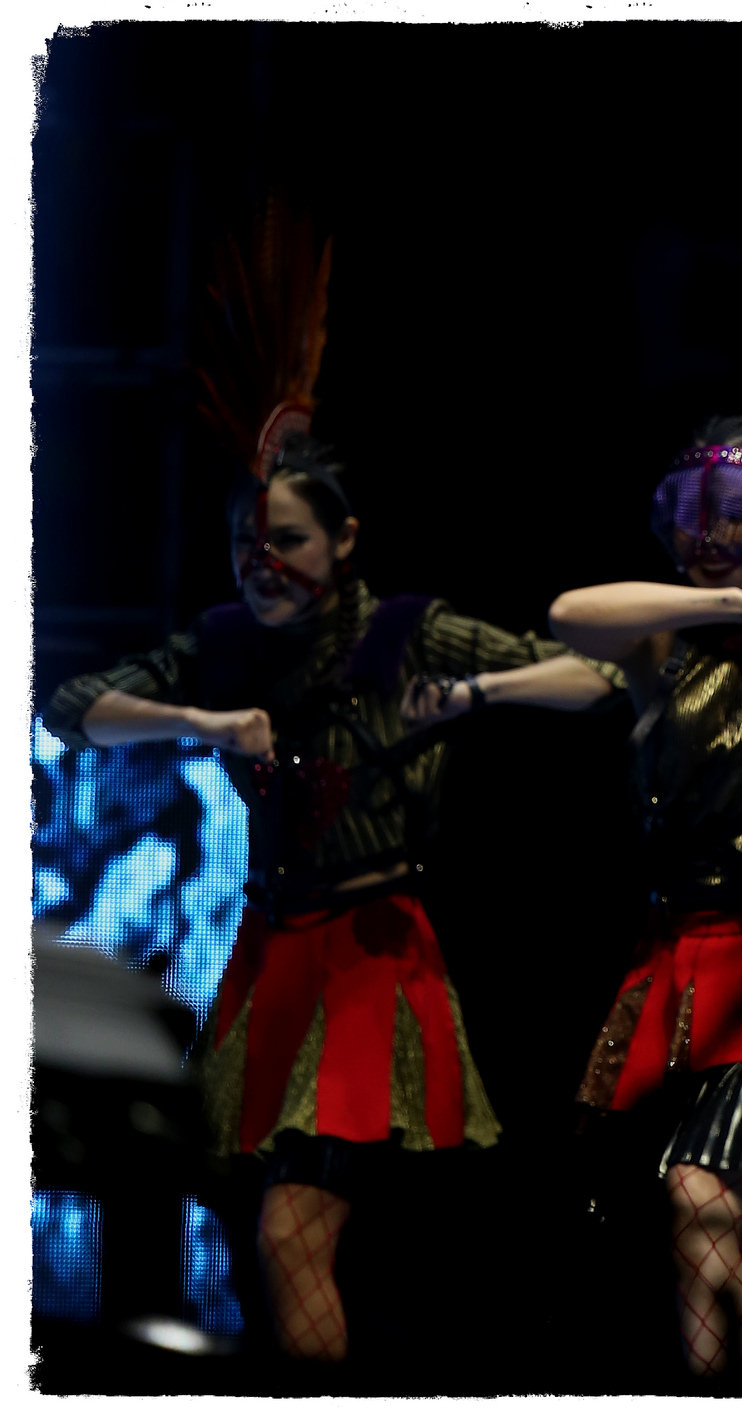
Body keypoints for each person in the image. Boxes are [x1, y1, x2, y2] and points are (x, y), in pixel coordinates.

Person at [39, 212, 618, 1368]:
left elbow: (591, 679)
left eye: (289, 543)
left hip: (369, 954)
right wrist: (202, 721)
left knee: (293, 1231)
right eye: (245, 546)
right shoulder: (220, 646)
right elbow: (72, 706)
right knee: (245, 1219)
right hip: (271, 955)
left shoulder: (406, 631)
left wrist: (472, 696)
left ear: (344, 541)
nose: (262, 565)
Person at [486, 412, 742, 1378]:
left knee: (702, 1204)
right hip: (685, 958)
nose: (709, 537)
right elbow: (570, 613)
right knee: (693, 1221)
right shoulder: (665, 643)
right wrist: (729, 605)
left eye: (737, 515)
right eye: (692, 518)